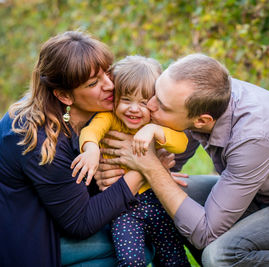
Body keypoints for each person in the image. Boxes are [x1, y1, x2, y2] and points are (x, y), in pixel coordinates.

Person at [97, 53, 269, 266]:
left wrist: (150, 167)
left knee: (220, 254)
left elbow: (206, 233)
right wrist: (128, 170)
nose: (149, 106)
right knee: (165, 195)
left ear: (202, 121)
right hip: (267, 194)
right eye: (155, 94)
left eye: (161, 106)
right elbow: (170, 164)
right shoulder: (201, 93)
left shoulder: (254, 135)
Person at [0, 31, 155, 267]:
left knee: (134, 228)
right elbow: (81, 222)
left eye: (107, 72)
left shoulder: (89, 114)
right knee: (136, 243)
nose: (110, 85)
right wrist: (144, 169)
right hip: (3, 239)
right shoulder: (38, 138)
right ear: (64, 95)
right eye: (94, 83)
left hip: (43, 218)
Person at [71, 55, 191, 266]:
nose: (134, 109)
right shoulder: (110, 118)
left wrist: (154, 130)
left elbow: (180, 143)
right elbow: (92, 131)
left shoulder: (155, 123)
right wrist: (91, 149)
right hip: (123, 207)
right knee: (131, 261)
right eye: (126, 100)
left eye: (143, 103)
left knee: (173, 259)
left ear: (154, 103)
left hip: (158, 200)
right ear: (115, 98)